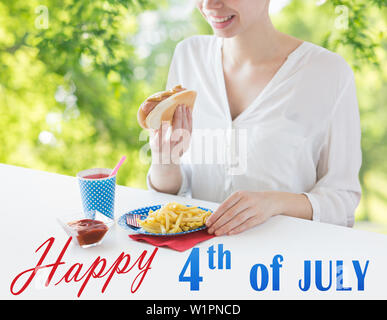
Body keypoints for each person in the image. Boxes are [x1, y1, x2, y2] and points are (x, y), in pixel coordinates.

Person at [145, 0, 362, 236]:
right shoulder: (189, 56)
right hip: (200, 259)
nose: (209, 4)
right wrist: (164, 162)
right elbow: (180, 189)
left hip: (281, 262)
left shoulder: (328, 72)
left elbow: (342, 200)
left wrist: (275, 203)